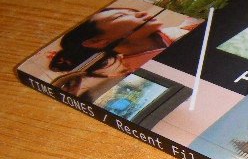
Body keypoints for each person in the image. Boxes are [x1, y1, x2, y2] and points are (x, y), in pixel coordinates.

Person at [49, 7, 196, 98]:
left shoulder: (190, 25)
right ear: (97, 41)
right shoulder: (145, 77)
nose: (141, 13)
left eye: (130, 12)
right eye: (120, 16)